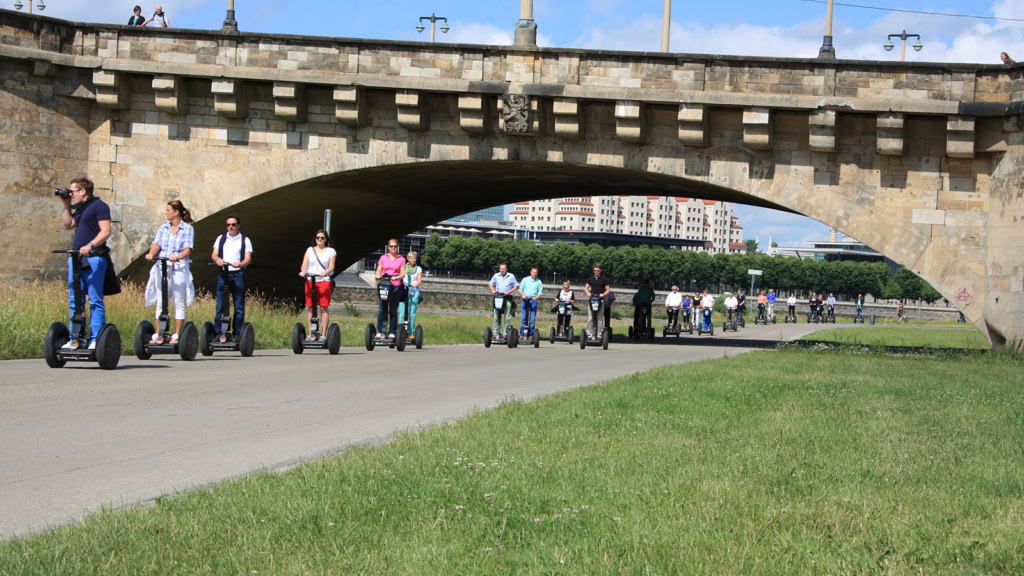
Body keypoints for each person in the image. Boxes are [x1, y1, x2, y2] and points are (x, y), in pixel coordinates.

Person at [59, 177, 117, 350]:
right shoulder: (81, 208)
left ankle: (96, 339)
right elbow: (68, 224)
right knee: (75, 300)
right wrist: (66, 205)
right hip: (76, 258)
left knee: (94, 300)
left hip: (93, 258)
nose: (70, 194)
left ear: (83, 191)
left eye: (72, 191)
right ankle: (75, 337)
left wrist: (90, 245)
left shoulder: (99, 206)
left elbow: (106, 231)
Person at [144, 199, 195, 343]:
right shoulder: (163, 228)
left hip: (179, 267)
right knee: (161, 301)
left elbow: (188, 248)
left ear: (176, 212)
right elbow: (156, 244)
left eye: (168, 210)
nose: (166, 213)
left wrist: (178, 257)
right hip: (162, 266)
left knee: (178, 301)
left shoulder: (187, 229)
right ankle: (159, 333)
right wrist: (151, 253)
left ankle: (177, 334)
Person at [210, 213, 252, 337]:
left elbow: (248, 258)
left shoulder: (244, 239)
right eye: (228, 225)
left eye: (233, 224)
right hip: (223, 274)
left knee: (238, 306)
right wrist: (217, 260)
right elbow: (214, 254)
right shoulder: (221, 238)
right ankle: (219, 333)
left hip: (237, 274)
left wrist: (240, 264)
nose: (230, 227)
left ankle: (237, 333)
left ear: (238, 226)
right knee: (220, 305)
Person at [299, 230, 336, 339]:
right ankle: (311, 334)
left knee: (323, 308)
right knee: (310, 308)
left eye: (322, 238)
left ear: (326, 239)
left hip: (324, 281)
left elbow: (331, 267)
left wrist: (326, 272)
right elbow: (304, 264)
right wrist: (303, 272)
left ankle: (323, 334)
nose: (319, 239)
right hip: (310, 281)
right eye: (317, 237)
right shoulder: (310, 250)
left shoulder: (331, 251)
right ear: (315, 239)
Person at [375, 239, 406, 339]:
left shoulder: (401, 259)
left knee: (393, 310)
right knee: (382, 310)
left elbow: (402, 274)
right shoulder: (383, 258)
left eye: (395, 246)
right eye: (391, 246)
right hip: (385, 285)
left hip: (396, 286)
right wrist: (378, 275)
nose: (393, 248)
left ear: (397, 247)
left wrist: (396, 277)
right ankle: (381, 331)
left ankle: (392, 331)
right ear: (388, 247)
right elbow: (378, 271)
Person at [489, 263, 518, 337]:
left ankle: (506, 333)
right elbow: (490, 284)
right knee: (496, 316)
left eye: (504, 269)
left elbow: (516, 286)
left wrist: (509, 291)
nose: (502, 270)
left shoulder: (511, 276)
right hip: (498, 297)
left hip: (507, 297)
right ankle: (496, 333)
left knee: (507, 317)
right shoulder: (496, 275)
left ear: (506, 269)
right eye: (501, 269)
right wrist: (492, 290)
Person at [398, 251, 422, 339]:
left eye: (414, 258)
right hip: (404, 291)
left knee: (412, 314)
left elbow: (419, 280)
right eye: (411, 258)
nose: (413, 260)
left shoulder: (418, 269)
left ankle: (411, 332)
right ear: (408, 259)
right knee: (402, 313)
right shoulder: (404, 267)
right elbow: (400, 276)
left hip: (414, 291)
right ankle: (400, 332)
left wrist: (416, 284)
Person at [584, 264, 611, 339]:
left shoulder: (604, 279)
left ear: (600, 271)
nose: (596, 272)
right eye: (595, 270)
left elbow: (608, 290)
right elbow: (586, 288)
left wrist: (603, 294)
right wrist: (588, 293)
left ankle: (599, 334)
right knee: (590, 318)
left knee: (599, 318)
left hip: (600, 300)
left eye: (598, 270)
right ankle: (589, 334)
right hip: (592, 300)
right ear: (593, 271)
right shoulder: (590, 279)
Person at [518, 266, 543, 337]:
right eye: (533, 272)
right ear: (531, 272)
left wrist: (536, 297)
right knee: (523, 318)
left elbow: (540, 293)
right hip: (525, 300)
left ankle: (531, 334)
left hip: (533, 301)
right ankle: (522, 334)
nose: (534, 274)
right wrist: (523, 295)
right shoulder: (525, 279)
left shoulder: (539, 282)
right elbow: (520, 290)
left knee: (532, 319)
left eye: (536, 273)